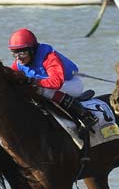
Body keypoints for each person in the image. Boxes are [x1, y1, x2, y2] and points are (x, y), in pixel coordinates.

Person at [8, 28, 97, 161]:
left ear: (32, 50)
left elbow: (56, 82)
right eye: (14, 54)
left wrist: (32, 81)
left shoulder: (49, 57)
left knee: (43, 90)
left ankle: (85, 115)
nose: (18, 58)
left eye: (22, 53)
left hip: (70, 84)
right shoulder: (19, 62)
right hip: (50, 85)